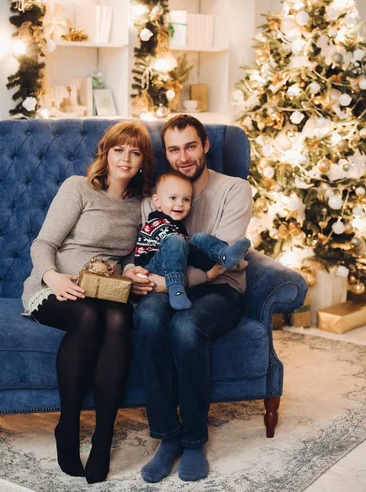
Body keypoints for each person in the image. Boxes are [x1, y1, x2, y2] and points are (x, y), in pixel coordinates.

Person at [21, 121, 153, 484]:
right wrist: (53, 277)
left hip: (106, 290)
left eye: (135, 151)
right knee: (89, 317)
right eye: (119, 149)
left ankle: (103, 436)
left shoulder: (140, 204)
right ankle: (68, 426)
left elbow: (130, 256)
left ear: (143, 160)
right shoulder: (78, 188)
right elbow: (43, 243)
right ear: (105, 153)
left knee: (117, 320)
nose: (125, 158)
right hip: (57, 287)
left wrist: (131, 273)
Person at [125, 115, 253, 483]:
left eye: (191, 146)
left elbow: (219, 264)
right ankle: (167, 437)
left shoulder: (234, 189)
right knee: (148, 320)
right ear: (166, 153)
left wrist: (168, 285)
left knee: (186, 326)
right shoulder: (158, 191)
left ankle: (195, 438)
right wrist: (132, 274)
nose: (183, 156)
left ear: (206, 145)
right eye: (174, 149)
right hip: (166, 284)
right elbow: (142, 248)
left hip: (219, 287)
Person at [134, 170, 251, 310]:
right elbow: (182, 249)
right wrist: (208, 267)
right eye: (173, 198)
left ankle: (224, 254)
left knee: (199, 238)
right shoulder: (158, 223)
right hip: (151, 266)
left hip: (172, 258)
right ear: (157, 202)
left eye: (186, 199)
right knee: (176, 242)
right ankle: (176, 289)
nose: (180, 204)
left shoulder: (174, 224)